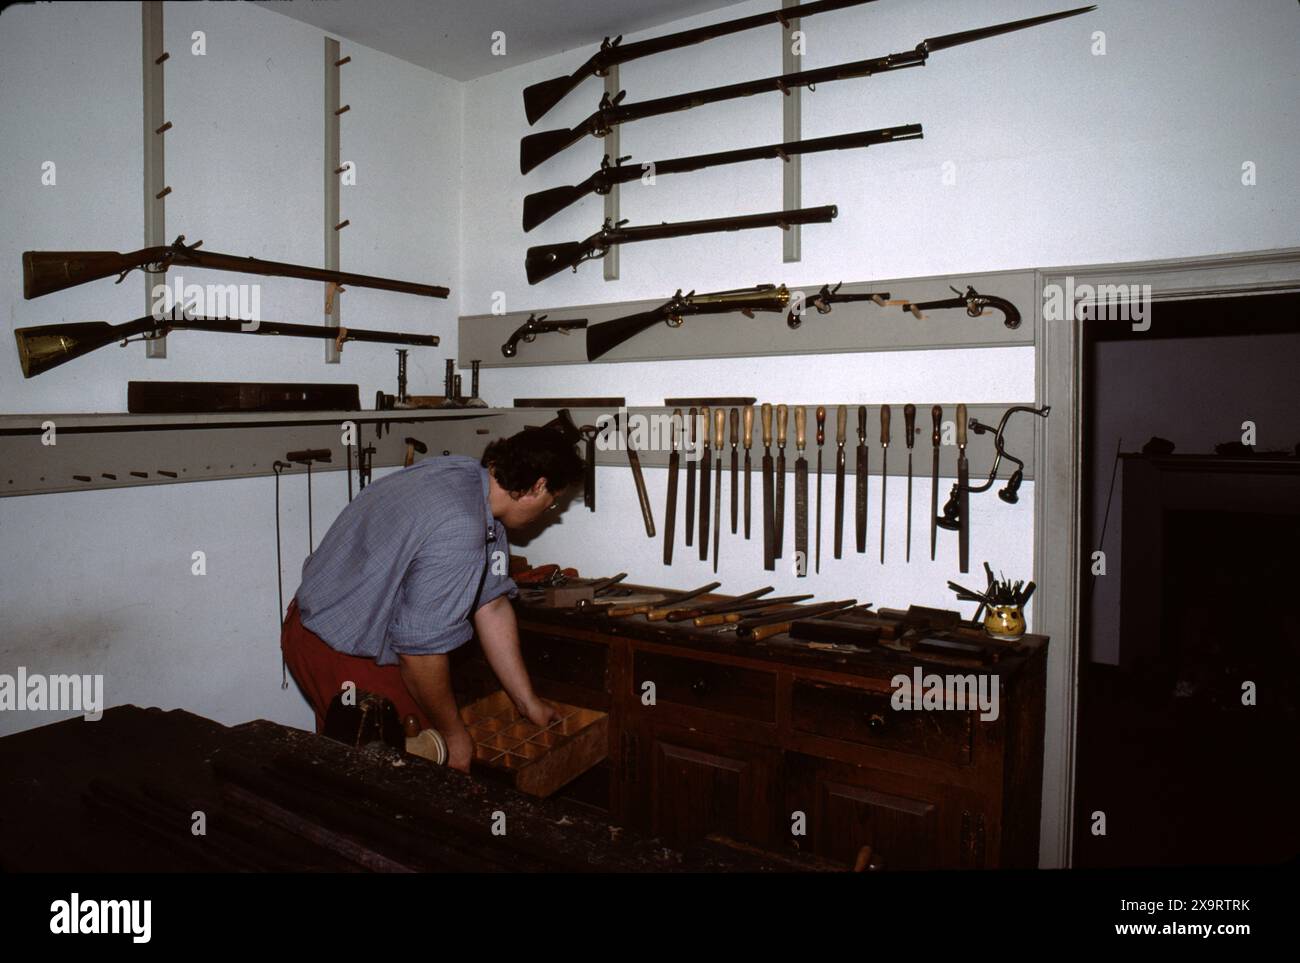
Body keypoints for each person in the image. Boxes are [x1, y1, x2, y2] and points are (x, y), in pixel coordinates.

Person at [280, 424, 584, 772]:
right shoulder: (461, 526)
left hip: (313, 624)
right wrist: (454, 736)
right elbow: (420, 654)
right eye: (553, 502)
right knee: (405, 766)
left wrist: (526, 702)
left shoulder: (469, 479)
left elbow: (493, 606)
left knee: (354, 762)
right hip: (335, 647)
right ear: (538, 486)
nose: (549, 510)